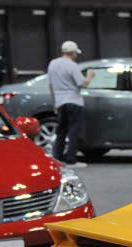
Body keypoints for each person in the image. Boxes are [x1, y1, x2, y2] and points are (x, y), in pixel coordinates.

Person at [46, 40, 94, 168]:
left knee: (61, 131)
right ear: (73, 53)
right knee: (74, 131)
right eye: (76, 53)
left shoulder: (53, 64)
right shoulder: (72, 66)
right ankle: (71, 159)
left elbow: (51, 85)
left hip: (60, 102)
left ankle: (57, 157)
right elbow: (83, 84)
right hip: (74, 101)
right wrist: (90, 76)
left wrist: (54, 103)